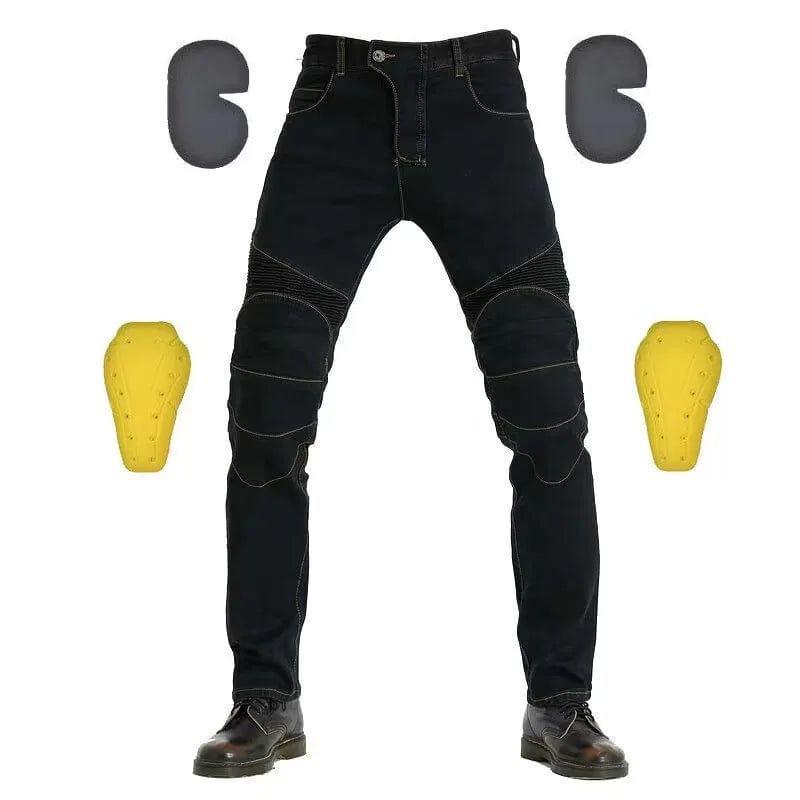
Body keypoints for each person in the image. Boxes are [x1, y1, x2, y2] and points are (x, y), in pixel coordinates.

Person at [193, 30, 627, 781]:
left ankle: (561, 702)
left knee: (551, 426)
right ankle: (264, 697)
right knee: (266, 423)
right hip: (333, 100)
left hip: (482, 105)